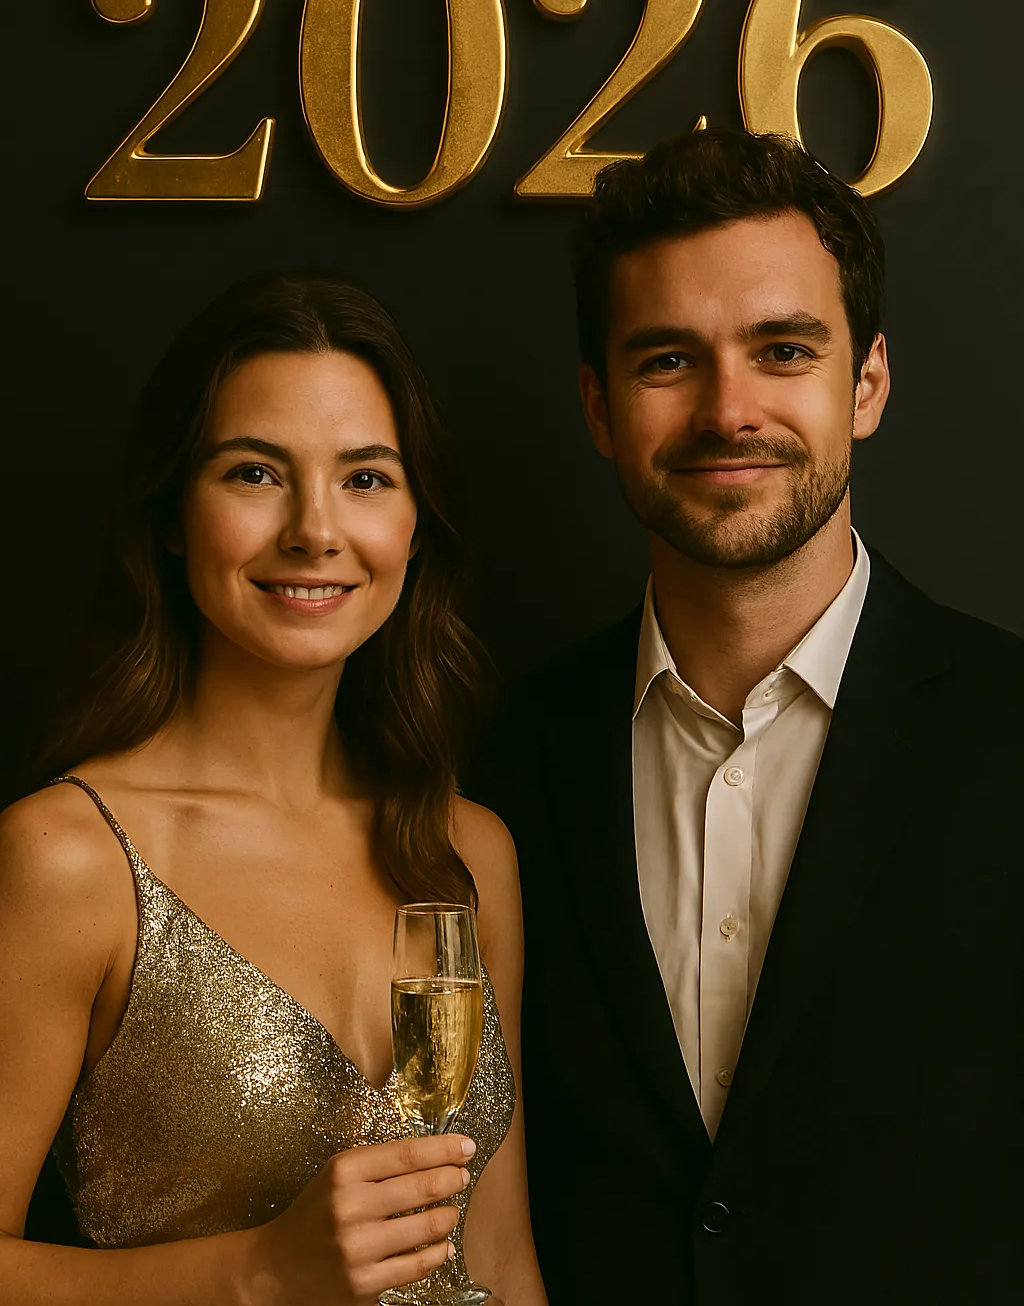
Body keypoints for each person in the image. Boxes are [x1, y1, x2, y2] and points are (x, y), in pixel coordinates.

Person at [471, 129, 1024, 1305]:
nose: (728, 410)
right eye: (668, 359)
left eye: (781, 350)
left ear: (865, 384)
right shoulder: (496, 759)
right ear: (598, 406)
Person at [0, 276, 547, 1306]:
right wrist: (254, 1272)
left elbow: (503, 1262)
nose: (314, 530)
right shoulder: (70, 856)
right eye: (255, 473)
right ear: (174, 514)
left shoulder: (468, 850)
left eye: (366, 478)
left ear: (416, 527)